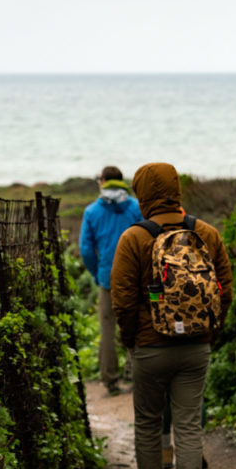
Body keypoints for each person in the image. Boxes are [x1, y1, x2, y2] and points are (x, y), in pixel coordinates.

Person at [110, 162, 232, 469]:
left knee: (148, 423)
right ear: (177, 189)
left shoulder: (134, 238)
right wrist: (209, 331)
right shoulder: (206, 233)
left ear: (143, 193)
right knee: (189, 424)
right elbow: (225, 288)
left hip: (150, 346)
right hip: (196, 347)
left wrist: (131, 340)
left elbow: (123, 300)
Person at [79, 166, 142, 395]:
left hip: (107, 277)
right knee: (137, 324)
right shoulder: (136, 208)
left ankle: (110, 380)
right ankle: (136, 374)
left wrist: (97, 274)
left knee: (107, 329)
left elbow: (86, 249)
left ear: (103, 181)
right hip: (135, 276)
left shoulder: (92, 211)